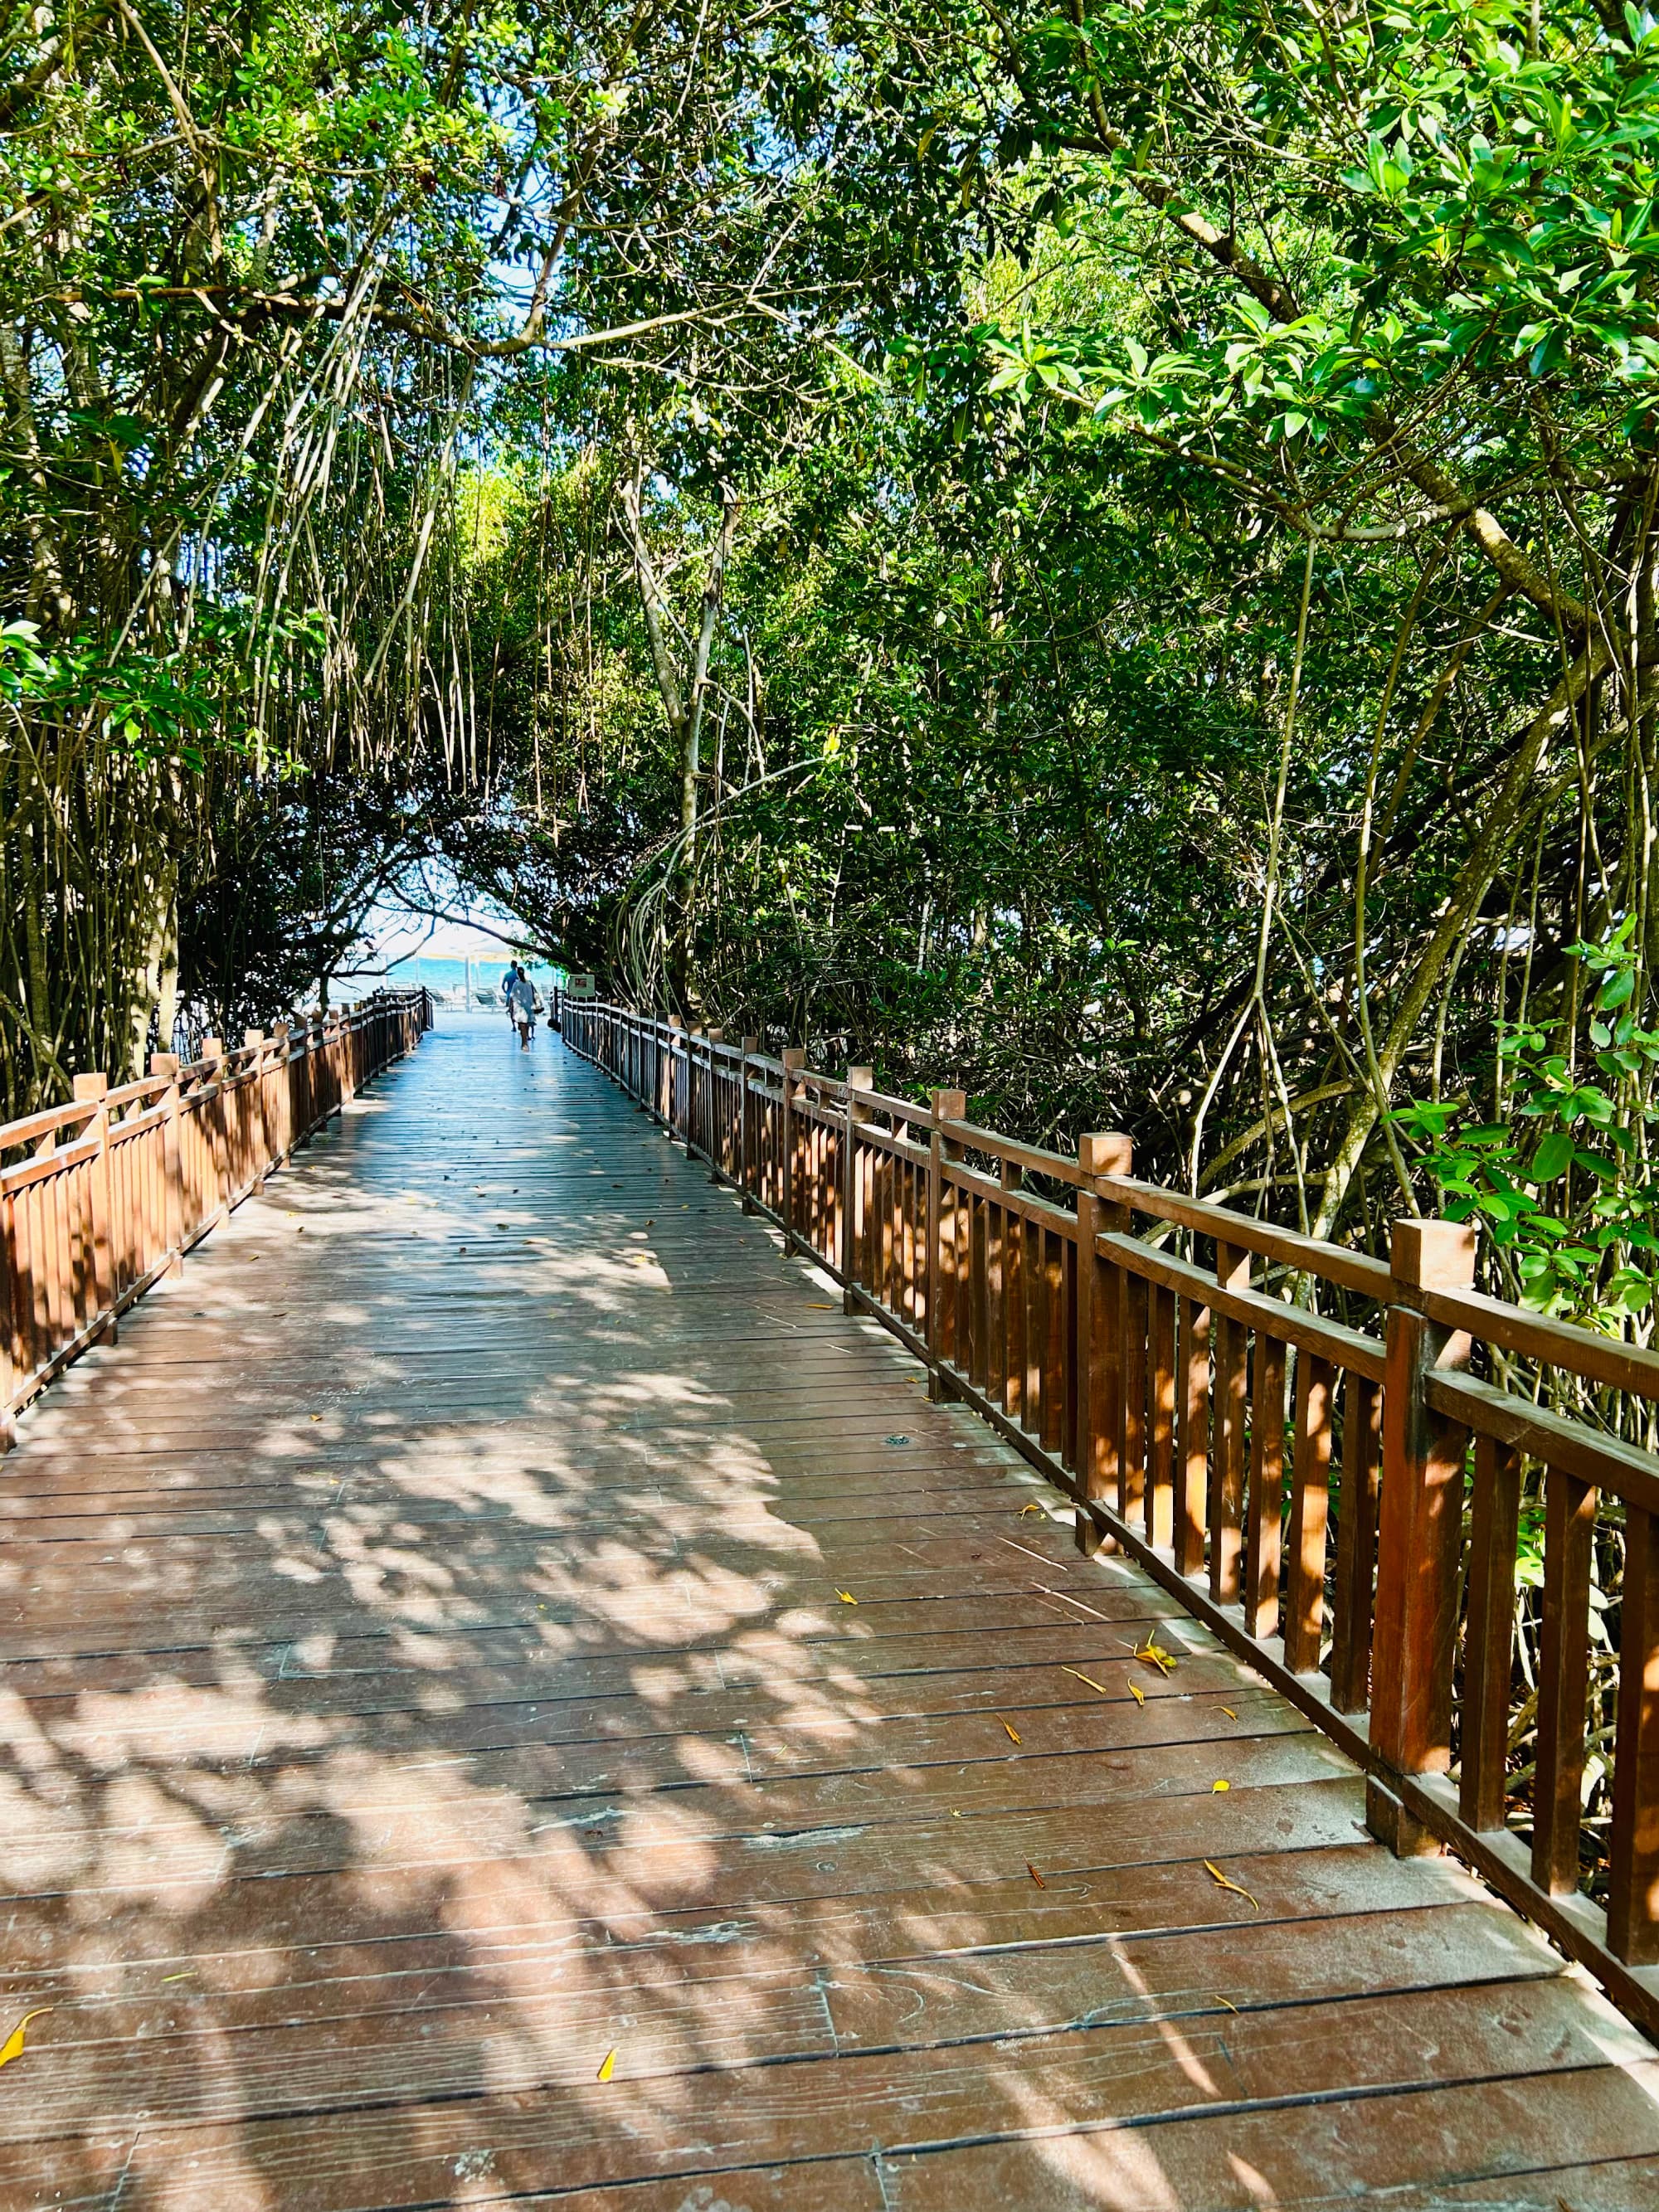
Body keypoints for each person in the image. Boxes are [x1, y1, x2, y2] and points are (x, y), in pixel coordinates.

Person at [507, 963, 536, 1048]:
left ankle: (524, 1042)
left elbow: (513, 997)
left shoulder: (516, 984)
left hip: (520, 1007)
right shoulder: (529, 983)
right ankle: (526, 1040)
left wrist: (510, 1007)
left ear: (517, 974)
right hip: (529, 1006)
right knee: (527, 1024)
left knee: (522, 1025)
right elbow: (534, 994)